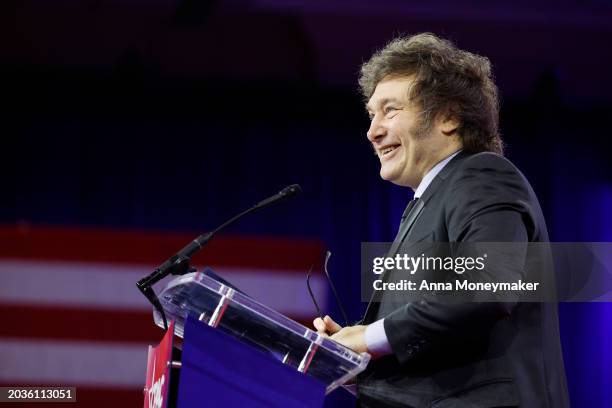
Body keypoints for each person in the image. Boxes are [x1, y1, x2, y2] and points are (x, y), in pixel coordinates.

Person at [313, 33, 569, 407]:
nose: (372, 131)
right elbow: (440, 340)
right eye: (372, 114)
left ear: (448, 117)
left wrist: (369, 338)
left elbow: (488, 287)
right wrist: (358, 359)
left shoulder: (482, 174)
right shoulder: (427, 202)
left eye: (391, 110)